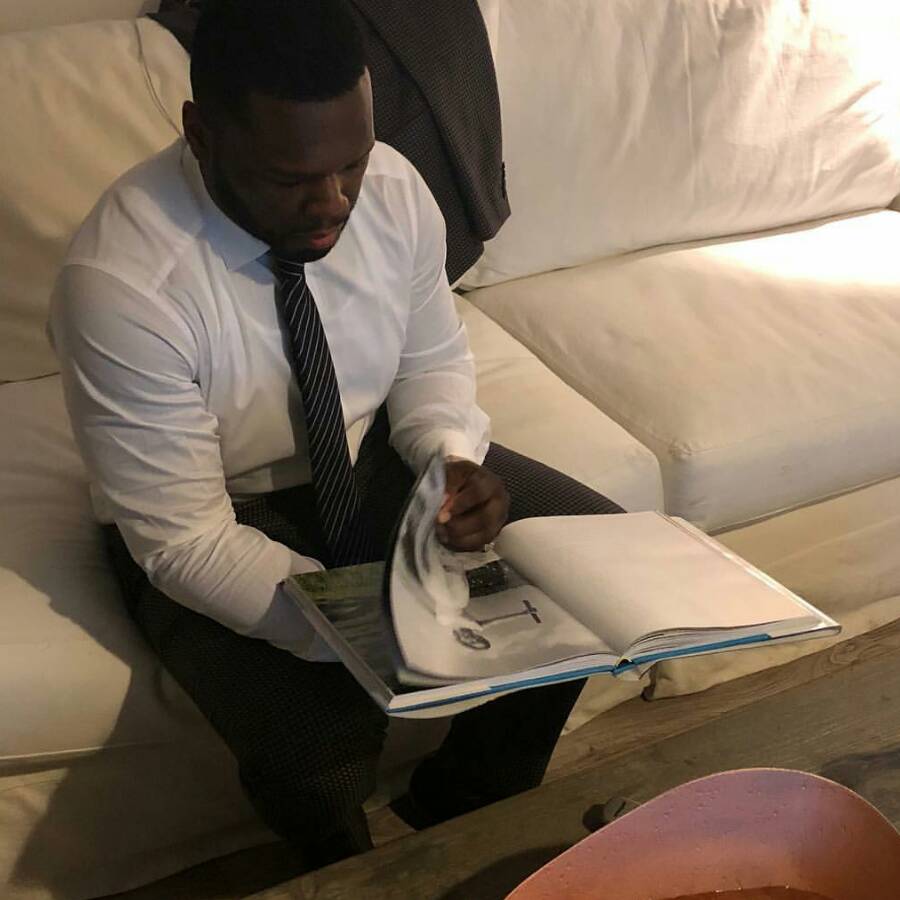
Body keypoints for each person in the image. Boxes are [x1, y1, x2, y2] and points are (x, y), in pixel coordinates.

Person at [49, 0, 623, 870]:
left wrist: (448, 456)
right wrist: (375, 627)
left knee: (585, 578)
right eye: (291, 179)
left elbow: (430, 360)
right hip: (219, 509)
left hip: (366, 455)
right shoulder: (121, 283)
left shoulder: (391, 187)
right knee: (318, 755)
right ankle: (349, 875)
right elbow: (183, 540)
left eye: (351, 162)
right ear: (201, 135)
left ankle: (464, 812)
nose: (335, 203)